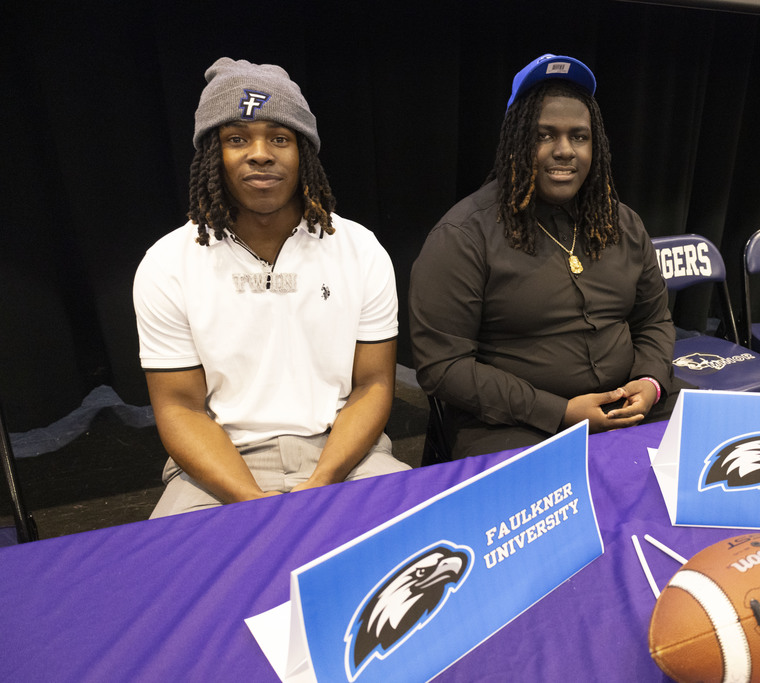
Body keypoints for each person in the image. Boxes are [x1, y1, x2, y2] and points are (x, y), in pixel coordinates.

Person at [134, 58, 409, 517]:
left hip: (346, 456)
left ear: (304, 152)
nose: (260, 153)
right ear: (211, 155)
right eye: (237, 138)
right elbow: (180, 408)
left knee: (425, 542)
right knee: (175, 580)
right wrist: (253, 505)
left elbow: (374, 384)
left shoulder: (360, 249)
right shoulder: (168, 262)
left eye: (279, 138)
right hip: (220, 466)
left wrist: (321, 483)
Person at [409, 54, 683, 460]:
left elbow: (653, 319)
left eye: (579, 136)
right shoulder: (463, 235)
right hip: (514, 422)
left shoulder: (622, 223)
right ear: (516, 141)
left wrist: (650, 381)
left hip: (630, 401)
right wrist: (560, 412)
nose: (564, 150)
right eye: (543, 136)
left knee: (718, 456)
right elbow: (443, 368)